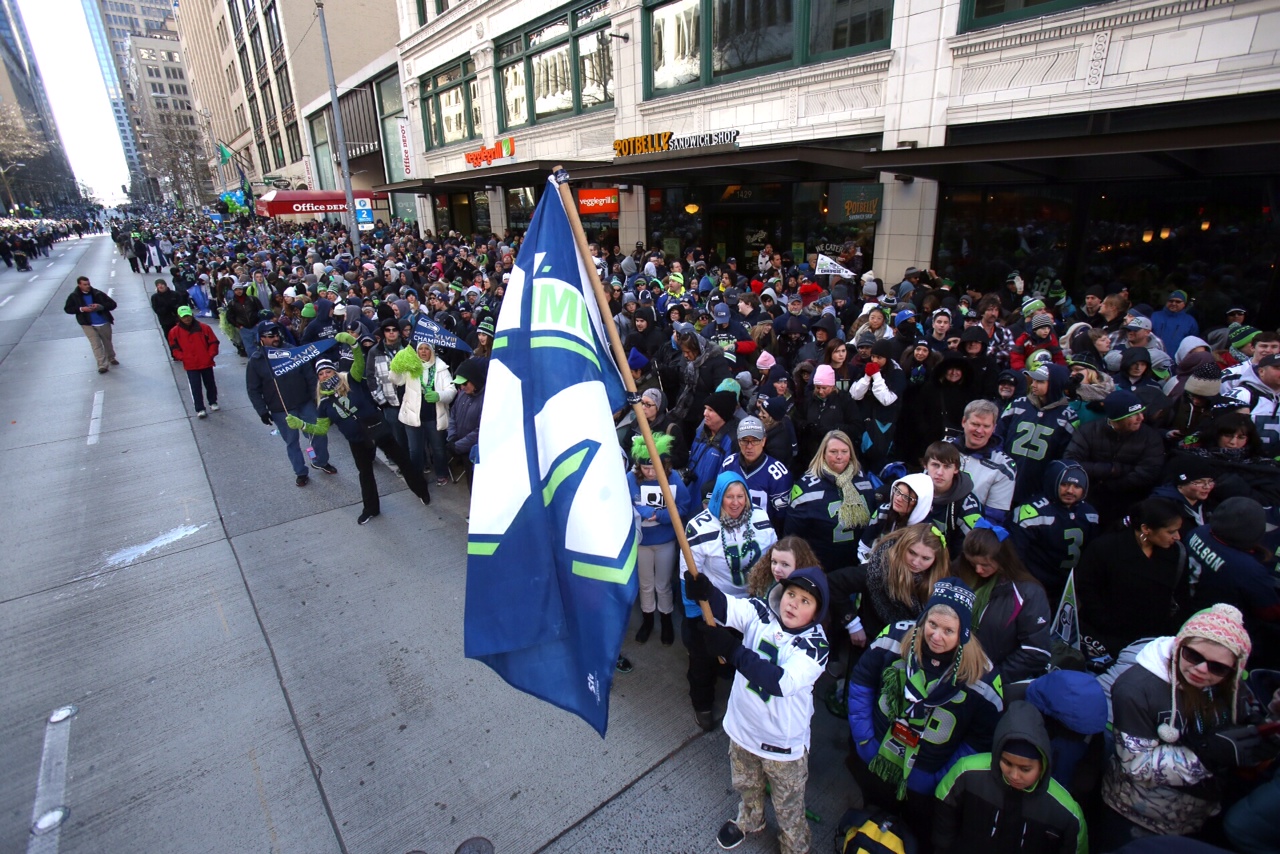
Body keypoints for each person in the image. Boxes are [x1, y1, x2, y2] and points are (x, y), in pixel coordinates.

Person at [1101, 606, 1276, 846]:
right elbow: (1136, 765)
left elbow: (1246, 727)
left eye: (1218, 667)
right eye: (1193, 655)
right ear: (1178, 645)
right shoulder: (1136, 689)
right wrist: (1206, 755)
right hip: (1136, 816)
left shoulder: (1232, 688)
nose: (1202, 669)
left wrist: (1262, 733)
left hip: (1201, 816)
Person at [685, 565, 829, 854]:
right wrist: (705, 591)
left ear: (816, 611)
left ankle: (794, 845)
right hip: (743, 731)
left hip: (783, 746)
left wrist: (732, 650)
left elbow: (781, 682)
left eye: (805, 601)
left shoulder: (816, 646)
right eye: (791, 594)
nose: (793, 604)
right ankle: (751, 819)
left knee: (788, 806)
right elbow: (727, 607)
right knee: (746, 785)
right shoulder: (761, 611)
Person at [847, 579, 1003, 842]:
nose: (936, 636)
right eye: (932, 624)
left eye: (948, 630)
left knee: (915, 834)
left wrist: (940, 778)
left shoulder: (982, 677)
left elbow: (980, 739)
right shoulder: (895, 638)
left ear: (963, 633)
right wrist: (864, 738)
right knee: (872, 817)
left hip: (926, 778)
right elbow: (862, 682)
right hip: (878, 757)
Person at [680, 470, 777, 730]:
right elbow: (687, 576)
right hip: (714, 606)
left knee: (746, 658)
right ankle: (702, 703)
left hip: (752, 605)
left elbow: (772, 562)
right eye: (729, 497)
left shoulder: (761, 519)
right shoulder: (699, 527)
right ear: (718, 497)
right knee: (702, 661)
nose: (735, 502)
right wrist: (694, 616)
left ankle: (743, 705)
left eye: (740, 496)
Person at [288, 349, 431, 524]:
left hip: (377, 429)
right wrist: (301, 424)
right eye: (321, 374)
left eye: (328, 371)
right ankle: (371, 509)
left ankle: (421, 491)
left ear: (335, 371)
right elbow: (321, 429)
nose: (325, 375)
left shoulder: (351, 380)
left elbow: (359, 363)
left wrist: (354, 345)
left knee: (403, 461)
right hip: (356, 440)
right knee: (365, 474)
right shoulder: (323, 404)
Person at [933, 700, 1087, 854]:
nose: (1014, 775)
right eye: (1007, 762)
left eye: (1025, 769)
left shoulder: (1066, 812)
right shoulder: (965, 773)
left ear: (1043, 765)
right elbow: (944, 817)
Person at [1076, 498, 1189, 666]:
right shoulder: (1104, 549)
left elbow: (1181, 595)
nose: (1177, 537)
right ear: (1146, 529)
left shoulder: (1176, 553)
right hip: (1108, 641)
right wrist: (1107, 624)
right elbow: (1086, 589)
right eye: (1171, 531)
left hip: (1152, 642)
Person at [1185, 497, 1280, 667]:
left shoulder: (1200, 532)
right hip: (1223, 628)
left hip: (1191, 605)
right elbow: (1271, 612)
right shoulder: (1247, 569)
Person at [954, 522, 1052, 681]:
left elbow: (1036, 651)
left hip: (994, 682)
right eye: (972, 564)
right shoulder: (959, 576)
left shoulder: (1029, 593)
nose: (978, 570)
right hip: (956, 672)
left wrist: (993, 678)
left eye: (985, 565)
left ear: (1002, 559)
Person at [246, 320, 335, 487]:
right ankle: (300, 472)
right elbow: (253, 389)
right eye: (270, 335)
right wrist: (262, 411)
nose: (275, 338)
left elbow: (309, 377)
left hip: (304, 403)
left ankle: (321, 461)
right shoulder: (256, 361)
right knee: (292, 442)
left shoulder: (293, 352)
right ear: (262, 339)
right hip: (281, 409)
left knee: (318, 434)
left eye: (277, 334)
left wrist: (318, 400)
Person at [628, 433, 694, 646]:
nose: (650, 472)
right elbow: (623, 503)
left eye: (654, 468)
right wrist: (641, 510)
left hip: (665, 541)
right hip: (642, 543)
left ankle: (666, 620)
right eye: (645, 468)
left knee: (663, 584)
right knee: (646, 584)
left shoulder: (672, 477)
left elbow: (684, 506)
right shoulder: (630, 479)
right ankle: (648, 620)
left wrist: (662, 516)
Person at [784, 430, 880, 574]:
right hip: (820, 567)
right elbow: (792, 535)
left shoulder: (861, 479)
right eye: (833, 451)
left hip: (855, 566)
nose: (840, 457)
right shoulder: (806, 486)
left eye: (844, 451)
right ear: (823, 454)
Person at [1065, 390, 1165, 522]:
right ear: (1117, 418)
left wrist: (1109, 486)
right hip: (1088, 500)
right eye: (1133, 415)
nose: (1141, 418)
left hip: (1128, 504)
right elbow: (1071, 463)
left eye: (1141, 412)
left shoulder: (1150, 437)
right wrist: (1113, 469)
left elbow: (1148, 473)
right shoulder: (1088, 431)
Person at [1010, 461, 1099, 606]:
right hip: (1034, 587)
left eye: (1077, 486)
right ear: (1053, 481)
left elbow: (1091, 557)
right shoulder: (1030, 513)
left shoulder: (1090, 514)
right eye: (1064, 484)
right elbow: (1014, 556)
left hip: (1069, 588)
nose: (1070, 491)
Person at [855, 523, 950, 642]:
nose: (915, 562)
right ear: (903, 546)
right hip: (875, 638)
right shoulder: (880, 566)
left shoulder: (942, 581)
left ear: (936, 560)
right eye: (912, 553)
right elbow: (836, 582)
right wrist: (853, 625)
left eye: (925, 558)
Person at [997, 364, 1076, 506]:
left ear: (1055, 385)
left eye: (1040, 381)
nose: (1033, 385)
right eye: (1033, 380)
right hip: (1005, 477)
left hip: (1037, 486)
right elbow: (998, 435)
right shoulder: (1018, 405)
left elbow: (1065, 455)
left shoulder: (1068, 417)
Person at [389, 340, 457, 486]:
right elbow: (396, 380)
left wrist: (439, 395)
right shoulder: (411, 366)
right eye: (421, 349)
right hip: (413, 416)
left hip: (434, 416)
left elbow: (452, 391)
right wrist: (397, 363)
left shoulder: (440, 368)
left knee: (438, 448)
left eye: (427, 349)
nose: (424, 352)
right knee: (415, 450)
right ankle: (417, 477)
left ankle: (442, 473)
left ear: (432, 351)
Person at [948, 400, 1016, 524]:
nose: (980, 431)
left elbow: (994, 518)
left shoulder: (1004, 467)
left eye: (986, 426)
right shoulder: (944, 448)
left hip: (970, 535)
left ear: (994, 427)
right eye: (975, 424)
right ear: (964, 422)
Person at [721, 415, 792, 532]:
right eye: (744, 440)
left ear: (763, 441)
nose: (749, 446)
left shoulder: (778, 474)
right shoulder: (729, 464)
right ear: (738, 441)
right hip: (731, 531)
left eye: (755, 440)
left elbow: (782, 518)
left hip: (763, 537)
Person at [921, 441, 986, 559]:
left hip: (947, 565)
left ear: (956, 469)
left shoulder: (967, 505)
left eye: (947, 466)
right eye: (935, 465)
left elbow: (968, 550)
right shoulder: (913, 489)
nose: (940, 472)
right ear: (925, 465)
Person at [850, 339, 905, 472]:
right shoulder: (866, 367)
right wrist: (867, 378)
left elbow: (886, 399)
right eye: (873, 356)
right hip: (865, 420)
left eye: (879, 357)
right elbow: (855, 394)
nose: (875, 360)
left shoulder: (897, 374)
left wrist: (876, 376)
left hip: (884, 422)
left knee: (878, 456)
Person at [859, 472, 935, 562]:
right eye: (897, 491)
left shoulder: (927, 530)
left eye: (907, 497)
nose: (898, 498)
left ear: (920, 504)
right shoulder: (883, 511)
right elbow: (864, 546)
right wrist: (868, 566)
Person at [167, 306, 219, 417]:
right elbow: (174, 348)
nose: (186, 319)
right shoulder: (174, 332)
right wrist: (183, 357)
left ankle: (213, 401)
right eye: (184, 317)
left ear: (192, 315)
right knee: (195, 386)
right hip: (191, 364)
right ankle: (200, 408)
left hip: (206, 362)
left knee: (210, 384)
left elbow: (213, 342)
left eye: (188, 316)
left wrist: (210, 355)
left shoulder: (204, 328)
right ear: (179, 317)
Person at [63, 276, 119, 373]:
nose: (87, 286)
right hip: (87, 324)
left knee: (107, 342)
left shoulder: (97, 293)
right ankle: (102, 365)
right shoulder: (74, 296)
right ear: (79, 285)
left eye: (88, 284)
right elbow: (68, 309)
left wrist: (100, 307)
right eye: (85, 284)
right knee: (96, 344)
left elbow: (112, 304)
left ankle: (111, 357)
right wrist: (81, 309)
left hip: (103, 322)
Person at [446, 358, 486, 491]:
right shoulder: (462, 394)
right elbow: (453, 415)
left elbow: (481, 431)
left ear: (474, 380)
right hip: (462, 449)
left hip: (475, 454)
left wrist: (457, 445)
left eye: (464, 383)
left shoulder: (486, 400)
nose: (461, 387)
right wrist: (452, 437)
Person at [745, 536, 821, 598]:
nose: (776, 569)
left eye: (785, 564)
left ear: (800, 565)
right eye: (774, 562)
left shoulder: (809, 593)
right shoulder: (764, 582)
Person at [149, 278, 187, 346]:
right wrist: (167, 308)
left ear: (165, 285)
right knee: (171, 339)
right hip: (166, 322)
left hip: (178, 320)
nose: (160, 286)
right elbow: (157, 310)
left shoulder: (175, 294)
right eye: (158, 285)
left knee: (182, 338)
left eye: (162, 284)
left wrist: (175, 309)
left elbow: (182, 305)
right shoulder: (155, 297)